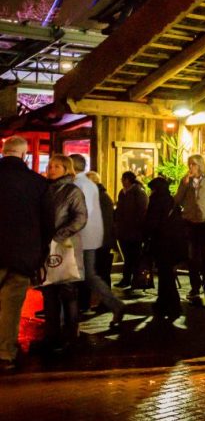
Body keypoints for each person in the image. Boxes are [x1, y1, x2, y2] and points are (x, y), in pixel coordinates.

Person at [0, 136, 49, 370]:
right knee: (11, 308)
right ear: (24, 155)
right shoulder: (38, 183)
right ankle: (5, 353)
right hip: (22, 254)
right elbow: (46, 222)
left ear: (3, 151)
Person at [69, 155, 125, 326]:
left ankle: (72, 319)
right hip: (91, 239)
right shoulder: (94, 190)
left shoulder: (83, 187)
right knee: (86, 276)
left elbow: (84, 215)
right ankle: (76, 314)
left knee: (80, 277)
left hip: (85, 239)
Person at [42, 154, 87, 353]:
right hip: (46, 246)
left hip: (66, 246)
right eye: (50, 166)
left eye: (56, 166)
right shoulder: (43, 189)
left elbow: (80, 217)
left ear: (66, 169)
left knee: (67, 292)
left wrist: (60, 235)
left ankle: (71, 334)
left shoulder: (72, 190)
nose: (51, 169)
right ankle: (51, 335)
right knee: (49, 291)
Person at [174, 154, 205, 305]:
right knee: (192, 257)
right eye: (189, 164)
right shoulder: (185, 181)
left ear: (200, 165)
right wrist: (184, 184)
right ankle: (195, 287)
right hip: (190, 223)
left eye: (193, 164)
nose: (191, 167)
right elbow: (177, 200)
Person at [146, 177, 182, 322]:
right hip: (173, 243)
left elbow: (151, 223)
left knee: (165, 274)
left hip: (161, 242)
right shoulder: (171, 200)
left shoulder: (156, 201)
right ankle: (164, 302)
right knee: (166, 273)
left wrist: (146, 236)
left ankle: (172, 305)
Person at [114, 171, 149, 289]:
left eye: (122, 179)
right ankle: (126, 279)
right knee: (127, 256)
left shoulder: (138, 192)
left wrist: (139, 226)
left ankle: (135, 280)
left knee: (135, 256)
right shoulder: (122, 193)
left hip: (135, 231)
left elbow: (142, 210)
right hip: (124, 230)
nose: (121, 181)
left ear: (127, 180)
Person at [85, 171, 116, 290]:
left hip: (100, 241)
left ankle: (105, 301)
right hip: (100, 240)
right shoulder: (100, 195)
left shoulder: (99, 197)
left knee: (101, 272)